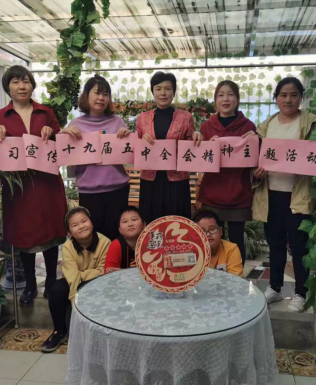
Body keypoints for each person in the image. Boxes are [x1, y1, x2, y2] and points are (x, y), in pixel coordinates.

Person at [0, 65, 67, 307]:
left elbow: (64, 142)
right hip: (19, 189)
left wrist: (52, 133)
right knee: (25, 236)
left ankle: (52, 282)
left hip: (47, 184)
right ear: (8, 87)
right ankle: (31, 285)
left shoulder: (46, 112)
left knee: (51, 234)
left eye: (26, 81)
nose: (22, 86)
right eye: (15, 82)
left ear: (32, 85)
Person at [252, 77, 316, 313]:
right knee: (274, 243)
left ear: (301, 98)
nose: (288, 100)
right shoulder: (265, 126)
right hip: (271, 193)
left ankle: (301, 293)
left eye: (294, 95)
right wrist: (257, 173)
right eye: (283, 95)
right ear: (276, 98)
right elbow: (255, 159)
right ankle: (275, 287)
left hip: (298, 195)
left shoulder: (311, 123)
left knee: (299, 246)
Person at [61, 75, 130, 241]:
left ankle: (117, 260)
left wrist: (127, 135)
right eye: (97, 93)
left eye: (105, 94)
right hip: (89, 191)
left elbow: (129, 151)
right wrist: (63, 134)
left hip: (117, 189)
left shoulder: (117, 122)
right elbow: (63, 153)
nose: (101, 98)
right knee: (93, 238)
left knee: (117, 237)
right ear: (86, 96)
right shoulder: (76, 124)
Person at [197, 80, 256, 263]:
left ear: (237, 99)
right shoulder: (206, 127)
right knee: (212, 240)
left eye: (230, 94)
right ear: (215, 100)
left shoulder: (248, 126)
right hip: (212, 193)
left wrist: (256, 140)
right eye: (221, 95)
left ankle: (237, 276)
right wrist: (206, 147)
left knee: (237, 241)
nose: (225, 99)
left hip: (239, 193)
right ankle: (212, 276)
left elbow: (254, 161)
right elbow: (199, 162)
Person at [136, 71, 203, 223]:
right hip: (150, 180)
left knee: (176, 222)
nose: (163, 93)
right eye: (158, 89)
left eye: (167, 89)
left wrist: (196, 134)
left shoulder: (186, 117)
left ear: (173, 92)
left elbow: (191, 144)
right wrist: (141, 140)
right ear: (153, 91)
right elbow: (136, 145)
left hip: (176, 181)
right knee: (152, 221)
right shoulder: (142, 118)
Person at [41, 207, 110, 352]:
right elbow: (72, 277)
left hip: (98, 281)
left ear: (91, 222)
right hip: (74, 282)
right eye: (75, 225)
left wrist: (82, 275)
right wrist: (74, 301)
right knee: (57, 289)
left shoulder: (105, 243)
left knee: (95, 287)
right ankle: (59, 331)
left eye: (84, 221)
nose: (81, 226)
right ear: (69, 232)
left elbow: (103, 271)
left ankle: (97, 332)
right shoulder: (68, 247)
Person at [193, 210, 243, 277]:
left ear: (221, 231)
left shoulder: (231, 249)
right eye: (202, 231)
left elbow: (235, 280)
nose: (208, 234)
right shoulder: (190, 251)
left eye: (212, 229)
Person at [104, 206, 146, 273]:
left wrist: (122, 272)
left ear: (143, 224)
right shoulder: (116, 245)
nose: (130, 224)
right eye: (125, 221)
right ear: (120, 230)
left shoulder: (152, 241)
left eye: (134, 219)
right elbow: (109, 273)